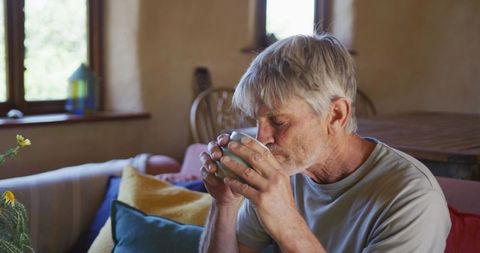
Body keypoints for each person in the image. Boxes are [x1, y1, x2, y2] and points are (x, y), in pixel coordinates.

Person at [198, 34, 451, 253]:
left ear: (336, 115)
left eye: (279, 121)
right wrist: (225, 204)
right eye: (258, 121)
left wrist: (285, 218)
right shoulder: (283, 171)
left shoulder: (412, 198)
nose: (261, 138)